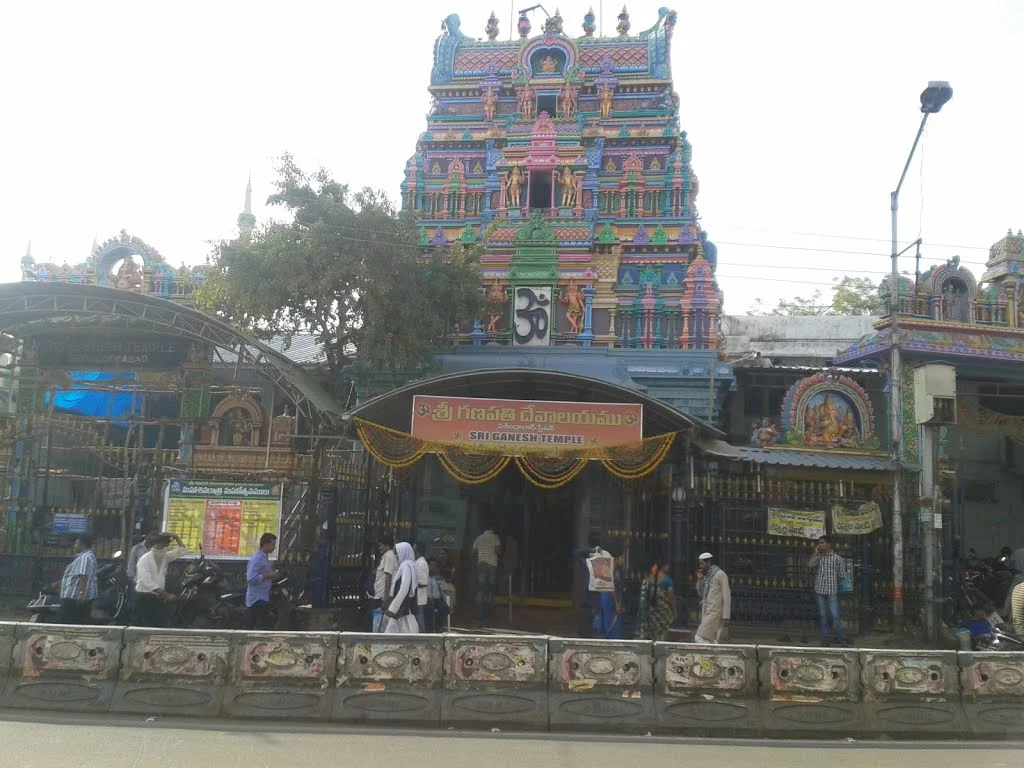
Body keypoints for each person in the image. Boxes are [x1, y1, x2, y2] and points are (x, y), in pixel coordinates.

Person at [133, 532, 188, 627]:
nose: (165, 547)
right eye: (163, 545)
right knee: (145, 626)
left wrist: (176, 536)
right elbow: (148, 583)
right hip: (145, 597)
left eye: (166, 545)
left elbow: (183, 551)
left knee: (159, 625)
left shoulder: (164, 557)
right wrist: (167, 595)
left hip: (157, 597)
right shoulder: (145, 559)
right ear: (156, 544)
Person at [809, 535, 849, 647]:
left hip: (832, 590)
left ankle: (842, 640)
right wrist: (815, 553)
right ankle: (826, 640)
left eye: (822, 543)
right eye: (819, 543)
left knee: (835, 616)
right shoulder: (819, 557)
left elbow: (841, 575)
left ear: (828, 544)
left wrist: (834, 583)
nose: (820, 545)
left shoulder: (837, 559)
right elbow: (810, 565)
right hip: (819, 589)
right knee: (823, 616)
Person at [56, 534, 98, 625]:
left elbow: (83, 576)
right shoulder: (86, 556)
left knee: (68, 622)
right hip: (76, 597)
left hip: (74, 597)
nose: (74, 546)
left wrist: (81, 594)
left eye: (76, 544)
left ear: (83, 545)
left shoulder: (84, 558)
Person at [573, 537, 608, 637]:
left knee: (588, 629)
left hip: (592, 601)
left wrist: (590, 550)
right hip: (592, 601)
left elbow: (576, 553)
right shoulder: (598, 565)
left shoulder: (589, 564)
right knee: (588, 628)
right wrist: (592, 550)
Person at [694, 553, 732, 644]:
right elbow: (701, 593)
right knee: (711, 639)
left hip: (715, 611)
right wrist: (700, 580)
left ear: (708, 562)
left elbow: (726, 596)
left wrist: (726, 616)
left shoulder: (720, 574)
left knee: (699, 637)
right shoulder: (706, 576)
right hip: (706, 610)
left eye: (702, 563)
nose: (700, 566)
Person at [246, 532, 280, 630]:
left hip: (263, 597)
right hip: (257, 599)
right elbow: (251, 579)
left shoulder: (264, 557)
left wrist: (270, 567)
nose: (274, 547)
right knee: (264, 626)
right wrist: (268, 575)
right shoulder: (257, 558)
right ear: (266, 544)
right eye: (273, 544)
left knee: (259, 625)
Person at [383, 542, 419, 634]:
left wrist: (392, 608)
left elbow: (404, 589)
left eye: (397, 553)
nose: (396, 556)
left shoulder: (406, 567)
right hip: (401, 608)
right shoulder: (406, 566)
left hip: (401, 608)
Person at [636, 563, 676, 641]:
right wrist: (674, 611)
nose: (669, 567)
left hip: (651, 614)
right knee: (661, 635)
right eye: (667, 565)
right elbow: (671, 597)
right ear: (663, 566)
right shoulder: (667, 580)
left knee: (651, 635)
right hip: (663, 614)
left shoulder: (648, 579)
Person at [472, 524, 501, 622]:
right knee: (490, 589)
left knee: (481, 589)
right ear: (492, 528)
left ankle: (479, 613)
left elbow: (474, 551)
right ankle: (488, 612)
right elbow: (497, 551)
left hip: (481, 564)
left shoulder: (479, 538)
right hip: (492, 564)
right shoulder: (495, 537)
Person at [371, 534, 399, 631]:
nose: (379, 548)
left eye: (381, 545)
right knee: (377, 621)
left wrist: (386, 596)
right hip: (380, 594)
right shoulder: (386, 557)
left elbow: (388, 577)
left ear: (387, 545)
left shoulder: (389, 557)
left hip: (382, 596)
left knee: (379, 623)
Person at [597, 552, 625, 639]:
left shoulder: (615, 569)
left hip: (608, 596)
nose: (623, 561)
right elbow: (611, 587)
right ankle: (612, 639)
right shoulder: (611, 570)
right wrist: (616, 603)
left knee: (609, 619)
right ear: (616, 558)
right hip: (609, 597)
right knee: (612, 620)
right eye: (622, 558)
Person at [425, 558, 451, 632]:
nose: (433, 567)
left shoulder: (439, 577)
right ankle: (430, 628)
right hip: (428, 599)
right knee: (429, 607)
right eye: (431, 565)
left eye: (434, 566)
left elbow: (445, 588)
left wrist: (441, 582)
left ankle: (439, 626)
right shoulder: (425, 577)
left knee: (443, 608)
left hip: (437, 599)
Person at [414, 542, 429, 633]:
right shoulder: (417, 562)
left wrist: (412, 585)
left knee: (419, 616)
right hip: (416, 595)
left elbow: (423, 582)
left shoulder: (422, 563)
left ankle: (422, 634)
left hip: (419, 595)